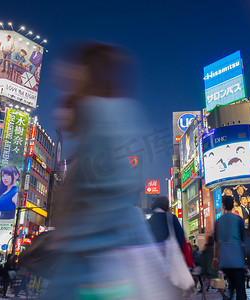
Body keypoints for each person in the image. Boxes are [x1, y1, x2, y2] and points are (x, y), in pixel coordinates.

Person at [38, 42, 178, 299]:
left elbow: (100, 189)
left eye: (73, 68)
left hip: (88, 260)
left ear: (87, 72)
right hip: (106, 261)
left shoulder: (99, 114)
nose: (63, 72)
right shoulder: (119, 112)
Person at [213, 195, 247, 300]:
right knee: (240, 289)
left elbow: (216, 242)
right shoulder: (238, 219)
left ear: (223, 206)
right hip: (237, 258)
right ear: (233, 206)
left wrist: (215, 258)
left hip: (225, 259)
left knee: (231, 286)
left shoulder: (219, 221)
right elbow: (243, 239)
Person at [200, 236, 219, 300]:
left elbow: (202, 259)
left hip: (205, 269)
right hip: (212, 269)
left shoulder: (205, 249)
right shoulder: (214, 249)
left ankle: (203, 297)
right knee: (218, 282)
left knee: (205, 284)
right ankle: (223, 295)